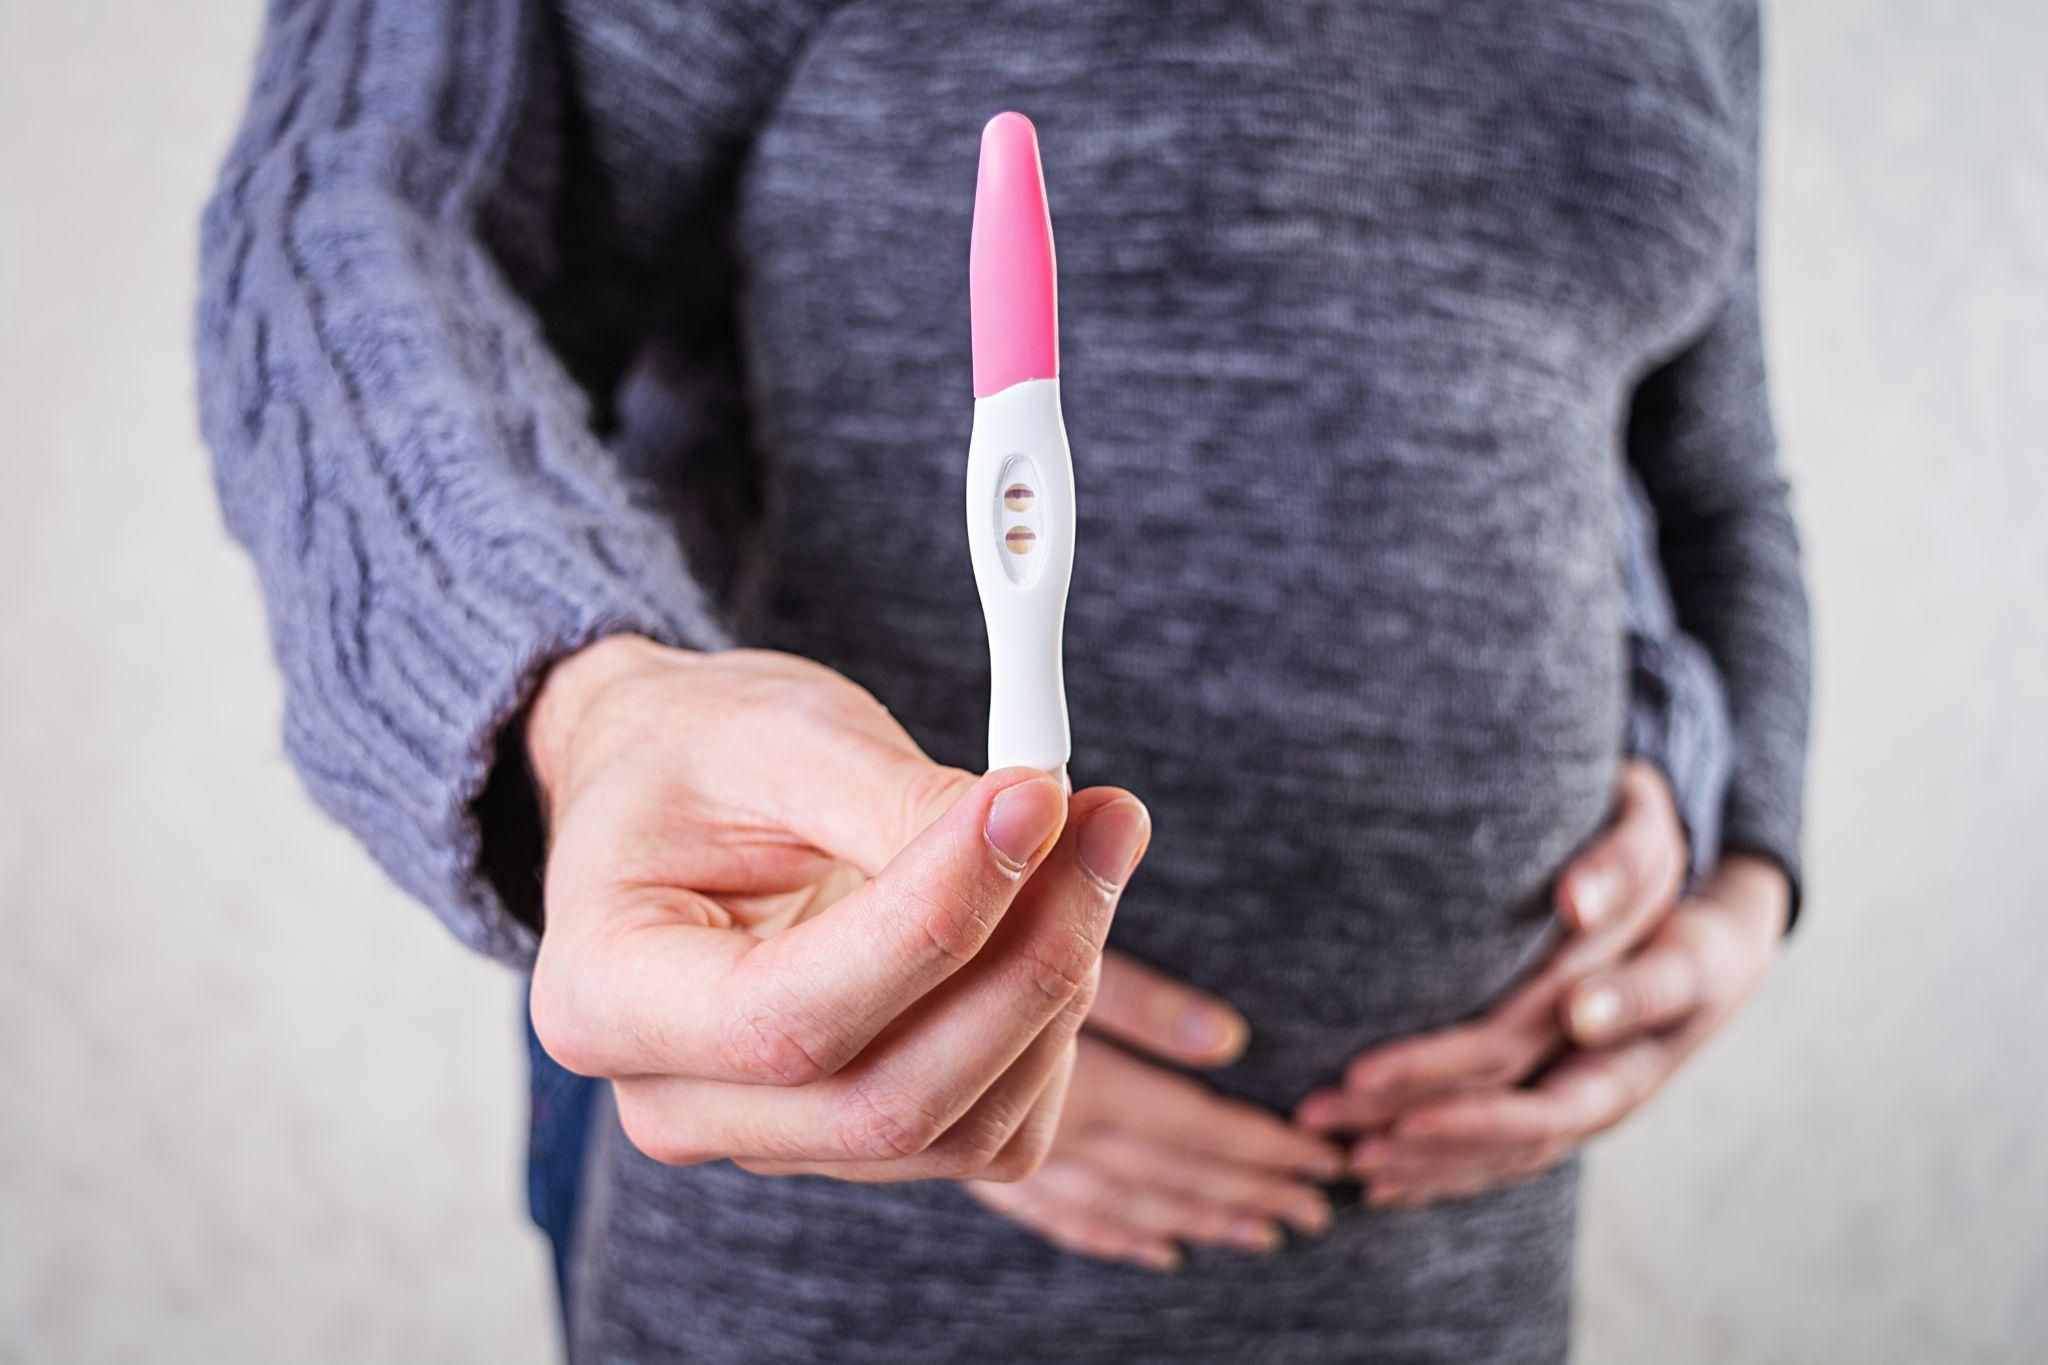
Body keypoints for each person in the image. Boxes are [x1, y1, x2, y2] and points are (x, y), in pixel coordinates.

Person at [196, 2, 1809, 1361]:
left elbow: (1704, 467)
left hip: (1450, 1271)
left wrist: (1739, 849)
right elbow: (352, 221)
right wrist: (586, 703)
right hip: (846, 1269)